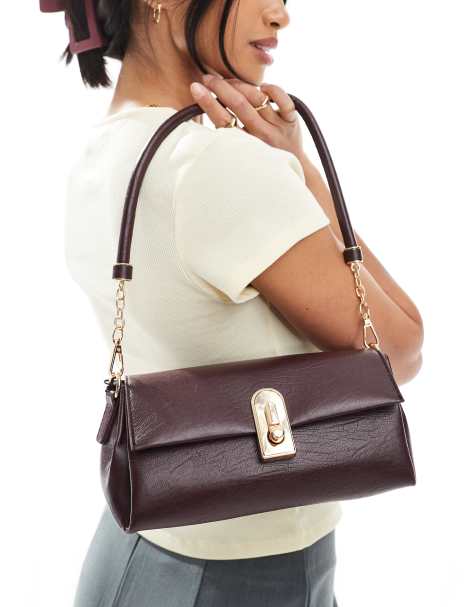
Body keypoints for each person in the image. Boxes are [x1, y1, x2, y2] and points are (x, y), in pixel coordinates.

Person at [55, 1, 424, 605]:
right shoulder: (215, 162)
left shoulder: (107, 148)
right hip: (235, 576)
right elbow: (401, 350)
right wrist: (299, 167)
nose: (281, 15)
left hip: (140, 545)